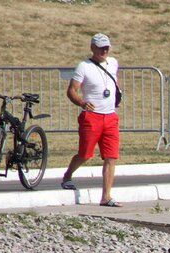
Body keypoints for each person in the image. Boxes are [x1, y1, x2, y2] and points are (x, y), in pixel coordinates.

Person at [61, 33, 122, 207]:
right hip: (91, 117)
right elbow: (72, 90)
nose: (104, 50)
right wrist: (81, 102)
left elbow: (114, 83)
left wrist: (116, 97)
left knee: (111, 157)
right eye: (101, 47)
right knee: (85, 154)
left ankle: (106, 196)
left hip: (110, 116)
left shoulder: (114, 63)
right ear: (92, 48)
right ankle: (67, 175)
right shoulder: (84, 66)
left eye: (106, 47)